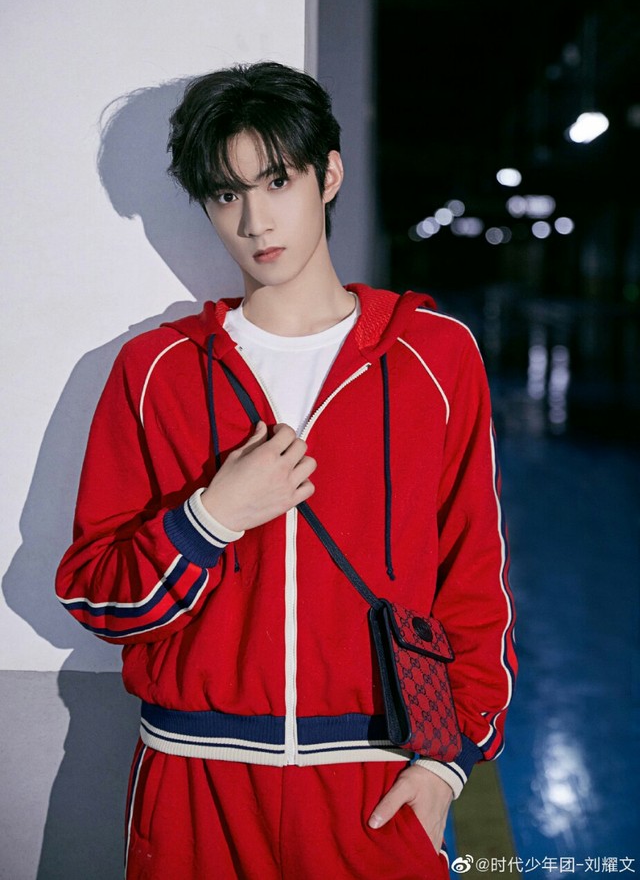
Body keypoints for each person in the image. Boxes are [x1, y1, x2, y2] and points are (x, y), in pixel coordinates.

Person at [56, 61, 517, 880]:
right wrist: (209, 520)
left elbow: (474, 578)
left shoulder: (436, 357)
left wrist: (448, 764)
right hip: (196, 783)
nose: (255, 220)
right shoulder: (155, 370)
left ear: (327, 174)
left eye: (277, 181)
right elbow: (97, 595)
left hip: (375, 785)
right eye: (225, 194)